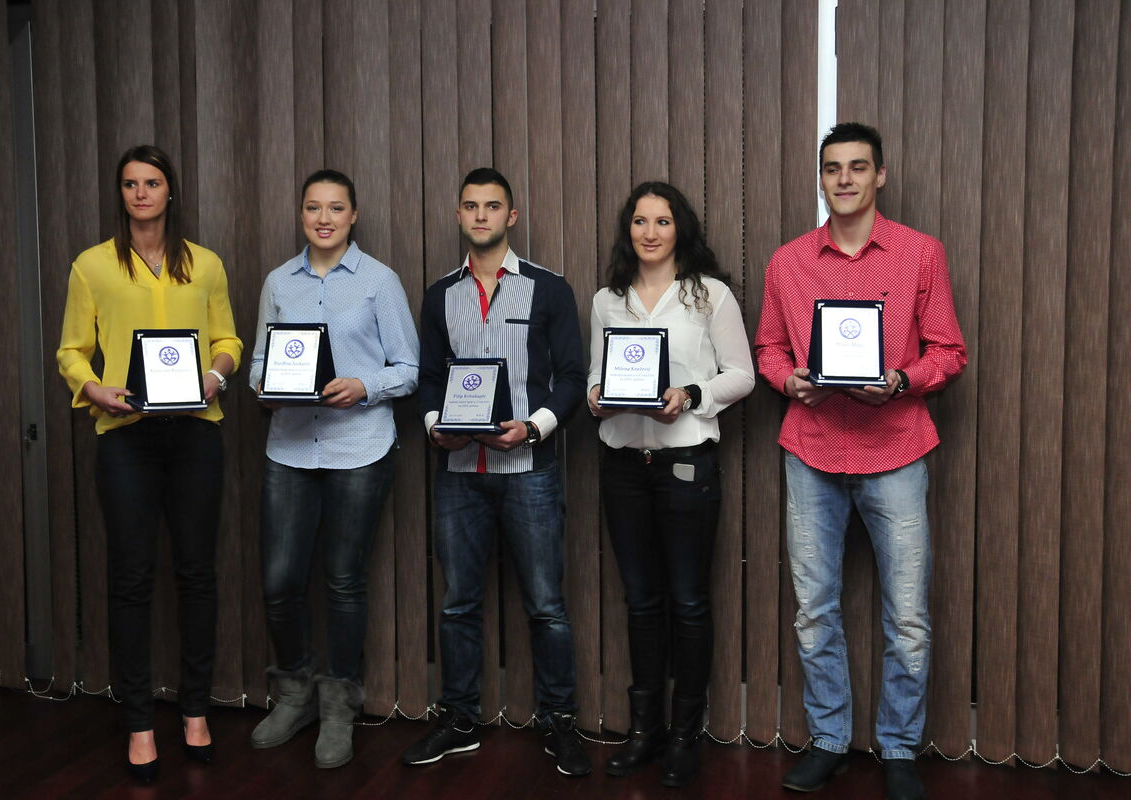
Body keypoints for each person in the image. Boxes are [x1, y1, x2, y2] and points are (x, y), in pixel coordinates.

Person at [754, 123, 967, 800]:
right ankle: (828, 741)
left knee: (907, 617)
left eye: (857, 167)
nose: (843, 179)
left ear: (880, 176)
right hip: (811, 450)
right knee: (814, 611)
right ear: (821, 179)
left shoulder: (920, 254)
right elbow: (768, 349)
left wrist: (902, 380)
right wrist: (788, 380)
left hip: (896, 449)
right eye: (832, 168)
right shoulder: (788, 262)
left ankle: (899, 747)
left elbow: (949, 351)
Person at [57, 144, 242, 783]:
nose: (141, 193)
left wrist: (216, 377)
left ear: (170, 191)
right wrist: (95, 388)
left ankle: (195, 712)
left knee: (196, 576)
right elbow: (71, 350)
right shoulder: (92, 266)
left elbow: (227, 340)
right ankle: (139, 723)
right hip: (126, 439)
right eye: (131, 183)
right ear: (122, 193)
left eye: (152, 182)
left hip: (196, 436)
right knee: (132, 580)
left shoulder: (206, 264)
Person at [401, 168, 590, 776]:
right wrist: (436, 424)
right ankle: (458, 719)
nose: (480, 215)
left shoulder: (549, 289)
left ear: (511, 216)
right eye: (470, 206)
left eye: (492, 206)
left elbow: (572, 377)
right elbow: (430, 377)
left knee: (546, 606)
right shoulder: (439, 295)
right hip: (459, 469)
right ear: (459, 215)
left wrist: (533, 427)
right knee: (458, 603)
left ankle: (559, 722)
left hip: (529, 468)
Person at [247, 169, 419, 768]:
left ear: (353, 215)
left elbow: (409, 368)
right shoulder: (278, 282)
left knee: (344, 582)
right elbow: (260, 362)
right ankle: (295, 695)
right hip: (290, 448)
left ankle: (340, 705)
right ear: (301, 215)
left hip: (359, 447)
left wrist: (364, 386)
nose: (324, 218)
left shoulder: (379, 281)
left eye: (336, 208)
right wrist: (266, 389)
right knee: (280, 580)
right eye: (313, 208)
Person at [587, 182, 754, 787]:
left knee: (687, 601)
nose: (650, 232)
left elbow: (742, 375)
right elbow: (594, 373)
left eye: (662, 221)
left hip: (686, 465)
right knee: (641, 601)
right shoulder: (608, 300)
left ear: (680, 227)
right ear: (627, 229)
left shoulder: (709, 295)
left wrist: (690, 395)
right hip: (623, 465)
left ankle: (684, 735)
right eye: (640, 221)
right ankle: (644, 731)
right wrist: (595, 397)